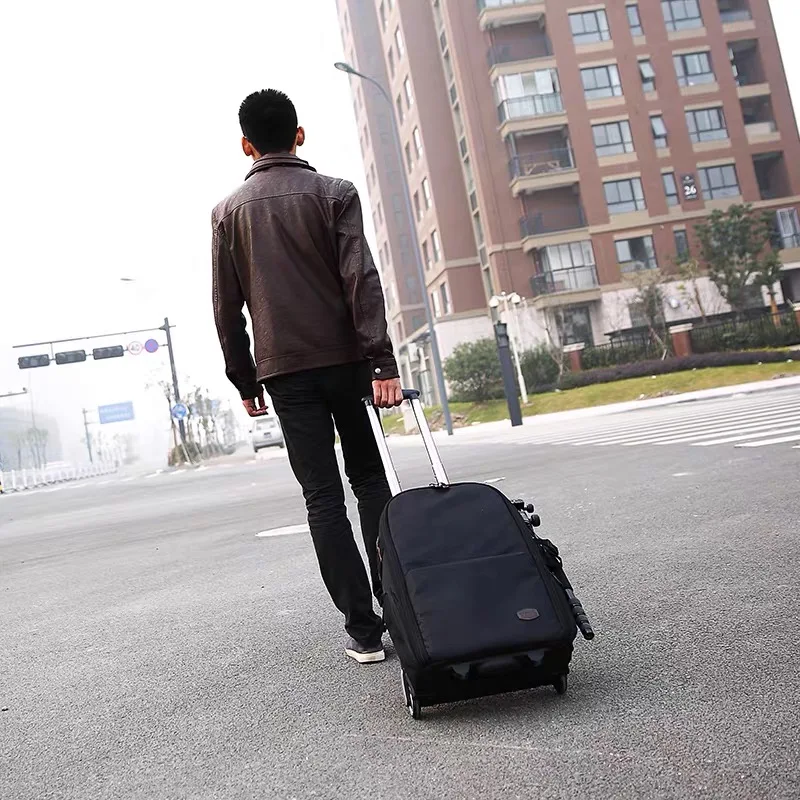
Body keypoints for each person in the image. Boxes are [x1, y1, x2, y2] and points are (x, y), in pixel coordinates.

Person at [212, 89, 402, 664]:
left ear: (246, 145)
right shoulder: (336, 194)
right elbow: (360, 279)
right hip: (346, 361)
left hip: (285, 373)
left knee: (322, 496)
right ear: (300, 134)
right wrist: (381, 362)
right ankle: (402, 605)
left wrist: (244, 380)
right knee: (370, 481)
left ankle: (364, 632)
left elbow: (227, 307)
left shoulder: (227, 213)